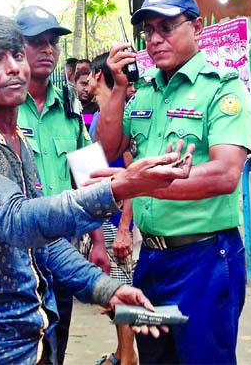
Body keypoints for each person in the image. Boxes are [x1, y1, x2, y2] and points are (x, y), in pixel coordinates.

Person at [0, 12, 194, 364]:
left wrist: (107, 289)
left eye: (16, 55)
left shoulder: (49, 118)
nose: (15, 67)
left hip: (39, 328)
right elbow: (17, 220)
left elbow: (46, 241)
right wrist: (120, 186)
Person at [96, 0, 251, 364]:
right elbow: (108, 148)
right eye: (148, 31)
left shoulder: (222, 90)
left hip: (203, 257)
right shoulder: (146, 92)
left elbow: (225, 174)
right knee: (154, 358)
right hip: (151, 258)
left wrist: (143, 184)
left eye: (166, 28)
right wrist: (118, 88)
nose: (154, 39)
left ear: (196, 27)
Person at [15, 5, 110, 363]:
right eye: (36, 41)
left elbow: (90, 178)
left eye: (52, 42)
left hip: (63, 247)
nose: (47, 49)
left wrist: (98, 241)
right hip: (17, 252)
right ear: (16, 47)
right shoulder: (2, 105)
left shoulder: (69, 107)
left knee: (57, 344)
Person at [88, 51, 138, 365]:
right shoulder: (98, 118)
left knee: (123, 290)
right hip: (106, 217)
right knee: (115, 290)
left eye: (88, 75)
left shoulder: (120, 115)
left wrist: (124, 228)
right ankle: (122, 353)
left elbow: (134, 176)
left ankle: (128, 357)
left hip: (121, 219)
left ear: (98, 77)